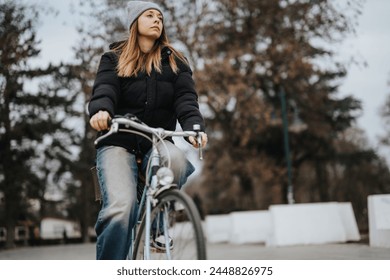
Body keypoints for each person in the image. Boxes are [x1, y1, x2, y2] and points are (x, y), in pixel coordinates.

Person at [88, 0, 208, 260]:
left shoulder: (175, 62)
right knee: (121, 207)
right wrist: (102, 111)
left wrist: (194, 128)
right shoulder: (112, 59)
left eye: (160, 17)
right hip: (118, 141)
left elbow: (186, 100)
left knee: (176, 159)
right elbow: (105, 89)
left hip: (158, 140)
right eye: (149, 15)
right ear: (134, 22)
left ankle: (155, 228)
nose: (157, 20)